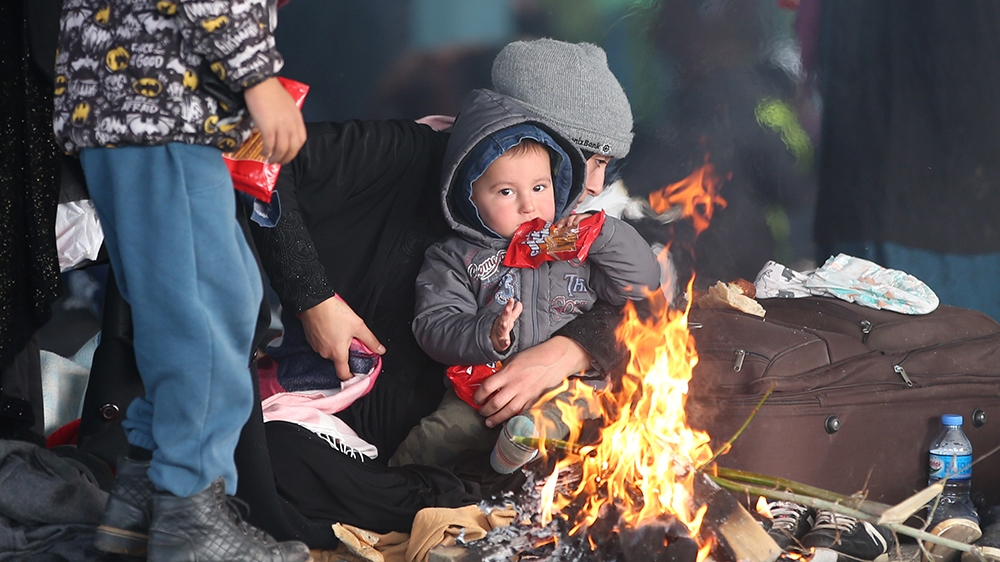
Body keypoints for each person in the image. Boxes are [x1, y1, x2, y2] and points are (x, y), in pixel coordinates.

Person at [52, 0, 310, 559]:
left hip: (149, 104)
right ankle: (189, 511)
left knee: (211, 306)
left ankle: (146, 492)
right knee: (206, 313)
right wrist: (257, 75)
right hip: (157, 105)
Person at [395, 95, 659, 475]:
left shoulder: (573, 242)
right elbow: (433, 323)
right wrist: (487, 332)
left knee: (576, 407)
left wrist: (602, 236)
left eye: (540, 187)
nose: (528, 206)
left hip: (570, 383)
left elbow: (642, 287)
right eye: (506, 192)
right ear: (469, 196)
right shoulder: (453, 257)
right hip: (485, 387)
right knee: (434, 437)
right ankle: (383, 494)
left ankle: (521, 444)